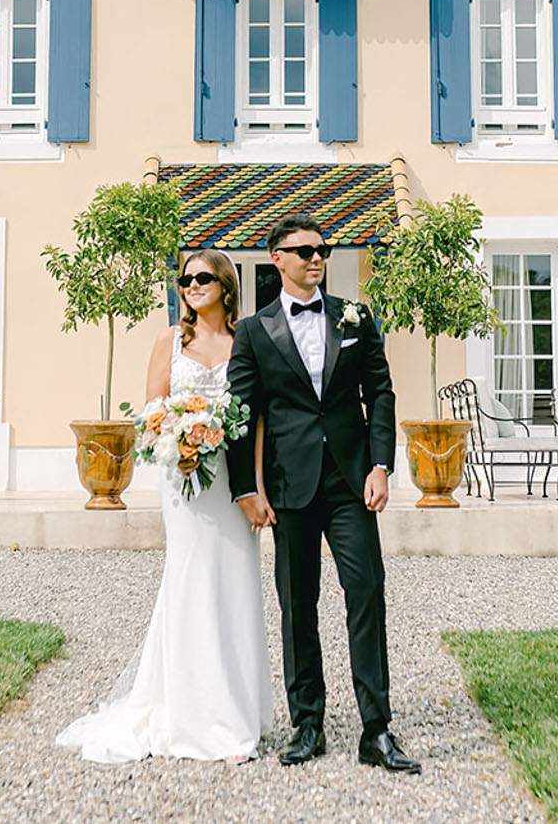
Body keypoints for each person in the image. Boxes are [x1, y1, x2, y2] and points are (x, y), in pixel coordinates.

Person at [55, 250, 274, 763]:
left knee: (235, 586)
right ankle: (192, 716)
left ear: (225, 285)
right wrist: (179, 437)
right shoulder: (169, 341)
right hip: (184, 480)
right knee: (191, 581)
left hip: (232, 484)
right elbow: (152, 412)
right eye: (186, 279)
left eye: (203, 277)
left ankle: (236, 711)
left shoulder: (247, 340)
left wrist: (256, 487)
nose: (192, 285)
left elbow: (258, 419)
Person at [227, 214, 421, 774]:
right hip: (289, 487)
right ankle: (307, 723)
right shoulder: (254, 331)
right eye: (305, 250)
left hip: (349, 482)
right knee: (297, 606)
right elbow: (243, 415)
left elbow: (380, 393)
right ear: (277, 258)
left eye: (323, 249)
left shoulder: (355, 317)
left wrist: (381, 464)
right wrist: (247, 488)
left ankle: (377, 730)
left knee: (365, 593)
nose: (317, 258)